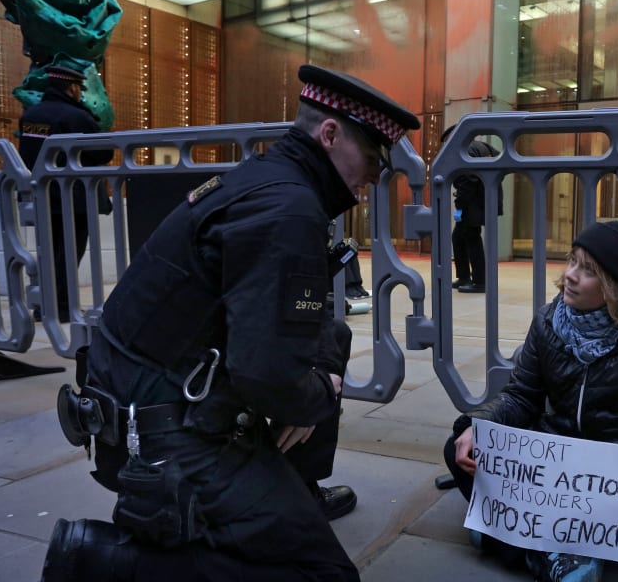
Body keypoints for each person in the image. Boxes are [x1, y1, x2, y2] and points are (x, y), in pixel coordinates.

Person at [42, 64, 419, 581]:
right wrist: (315, 395)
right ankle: (104, 562)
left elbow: (301, 327)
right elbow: (265, 374)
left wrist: (311, 385)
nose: (377, 176)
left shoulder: (267, 182)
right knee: (323, 573)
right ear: (330, 135)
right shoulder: (288, 210)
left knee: (328, 342)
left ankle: (287, 498)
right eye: (373, 158)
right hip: (163, 432)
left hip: (145, 398)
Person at [443, 220, 618, 582]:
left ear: (616, 286)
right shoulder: (548, 322)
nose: (570, 275)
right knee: (462, 448)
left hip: (613, 473)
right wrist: (478, 425)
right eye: (572, 261)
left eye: (588, 270)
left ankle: (515, 540)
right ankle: (558, 552)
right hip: (552, 467)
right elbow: (521, 396)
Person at [18, 65, 113, 322]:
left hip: (42, 195)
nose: (81, 94)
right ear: (71, 88)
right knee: (69, 255)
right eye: (79, 89)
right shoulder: (77, 117)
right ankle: (62, 308)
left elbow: (27, 153)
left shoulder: (32, 115)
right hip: (74, 197)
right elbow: (105, 152)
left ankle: (44, 306)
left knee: (48, 252)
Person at [449, 133, 502, 294]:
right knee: (458, 236)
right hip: (486, 198)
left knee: (471, 237)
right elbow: (501, 159)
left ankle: (480, 281)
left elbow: (468, 180)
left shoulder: (464, 149)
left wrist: (460, 204)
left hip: (473, 202)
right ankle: (464, 276)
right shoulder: (482, 146)